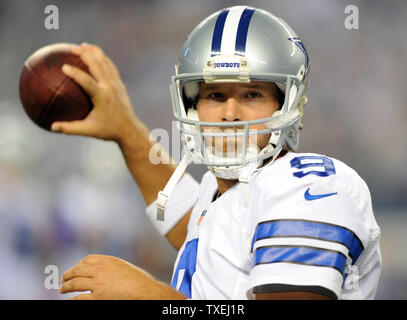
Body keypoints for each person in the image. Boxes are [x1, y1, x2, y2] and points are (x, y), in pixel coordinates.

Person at [53, 6, 381, 300]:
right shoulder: (224, 190)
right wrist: (126, 132)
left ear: (287, 106)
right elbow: (204, 235)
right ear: (193, 108)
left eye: (252, 94)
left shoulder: (308, 185)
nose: (230, 113)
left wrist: (148, 296)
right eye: (215, 95)